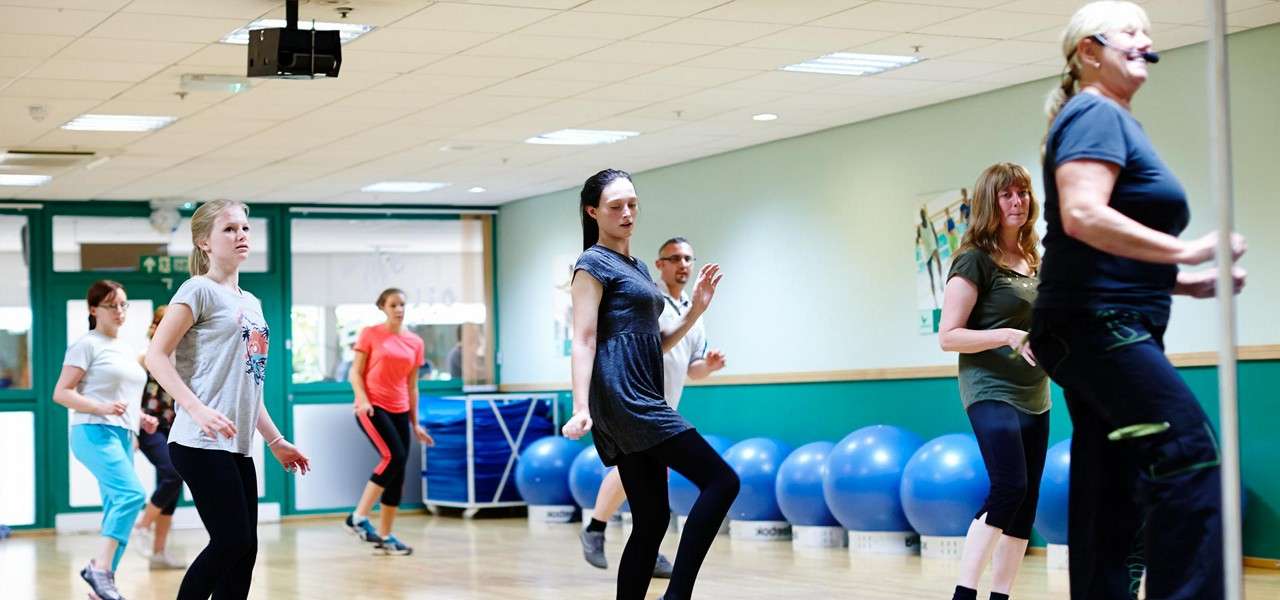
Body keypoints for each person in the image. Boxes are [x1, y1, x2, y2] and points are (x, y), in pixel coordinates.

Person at [1029, 3, 1247, 598]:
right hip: (1098, 324)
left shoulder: (1109, 118)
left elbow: (1100, 244)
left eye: (1146, 31)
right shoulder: (1096, 112)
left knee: (1112, 483)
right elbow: (1081, 215)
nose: (1143, 39)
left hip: (1102, 319)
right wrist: (1187, 252)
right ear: (1089, 52)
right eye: (1128, 30)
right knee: (1189, 457)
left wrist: (1181, 282)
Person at [562, 169, 739, 600]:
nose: (627, 214)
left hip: (643, 390)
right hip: (624, 397)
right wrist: (580, 406)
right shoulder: (591, 265)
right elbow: (584, 339)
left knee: (653, 518)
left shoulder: (637, 267)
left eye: (632, 205)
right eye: (615, 206)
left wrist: (694, 311)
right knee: (722, 481)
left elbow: (654, 342)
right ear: (593, 212)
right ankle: (677, 595)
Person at [145, 199, 311, 600]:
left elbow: (249, 384)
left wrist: (275, 440)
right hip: (197, 442)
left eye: (245, 229)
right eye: (230, 229)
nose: (241, 236)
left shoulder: (250, 303)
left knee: (245, 550)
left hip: (236, 445)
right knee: (231, 541)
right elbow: (155, 356)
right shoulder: (197, 290)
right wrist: (196, 407)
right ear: (204, 241)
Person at [579, 236, 727, 577]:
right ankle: (598, 528)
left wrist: (711, 366)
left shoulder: (692, 306)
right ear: (660, 265)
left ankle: (633, 542)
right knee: (713, 481)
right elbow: (653, 345)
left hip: (664, 409)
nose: (683, 265)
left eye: (688, 258)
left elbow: (693, 367)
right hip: (637, 407)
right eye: (674, 258)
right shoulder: (646, 297)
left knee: (653, 509)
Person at [939, 163, 1050, 600]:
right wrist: (1005, 335)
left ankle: (1000, 596)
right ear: (990, 202)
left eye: (1022, 192)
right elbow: (949, 336)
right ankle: (964, 593)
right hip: (989, 388)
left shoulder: (1032, 257)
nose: (1017, 201)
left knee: (1026, 503)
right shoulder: (974, 260)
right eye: (1007, 194)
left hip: (1035, 393)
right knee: (1010, 487)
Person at [53, 280, 151, 600]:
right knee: (132, 496)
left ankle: (101, 586)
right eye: (112, 305)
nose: (120, 311)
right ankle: (100, 569)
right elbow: (62, 393)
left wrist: (140, 420)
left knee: (116, 508)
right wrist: (101, 407)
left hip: (122, 434)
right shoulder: (86, 344)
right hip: (92, 431)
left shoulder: (124, 348)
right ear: (94, 310)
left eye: (124, 304)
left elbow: (123, 394)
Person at [344, 287, 436, 555]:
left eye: (402, 304)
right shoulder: (370, 334)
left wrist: (415, 422)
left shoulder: (415, 342)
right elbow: (355, 372)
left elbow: (412, 386)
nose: (399, 309)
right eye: (393, 305)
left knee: (398, 471)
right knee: (393, 458)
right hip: (373, 407)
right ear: (383, 307)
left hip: (400, 408)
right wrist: (362, 399)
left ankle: (385, 536)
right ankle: (358, 518)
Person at [131, 304, 187, 570]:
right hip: (148, 427)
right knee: (173, 472)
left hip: (173, 427)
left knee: (174, 484)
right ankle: (142, 526)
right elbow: (131, 398)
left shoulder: (182, 358)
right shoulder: (146, 358)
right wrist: (133, 430)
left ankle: (159, 553)